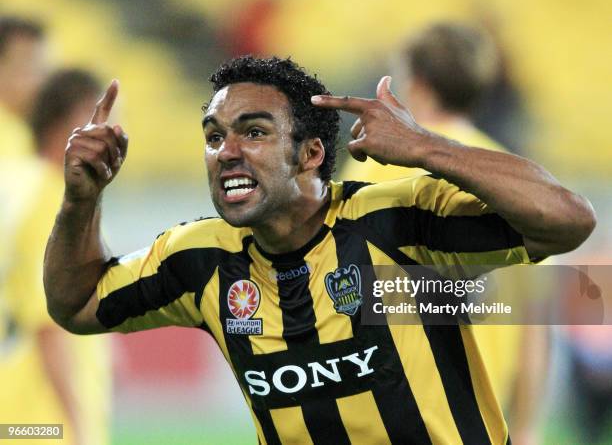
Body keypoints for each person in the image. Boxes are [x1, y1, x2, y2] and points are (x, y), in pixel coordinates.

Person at [43, 56, 595, 444]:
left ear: (310, 154)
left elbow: (567, 221)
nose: (226, 152)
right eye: (214, 137)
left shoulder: (394, 221)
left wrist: (424, 146)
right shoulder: (201, 259)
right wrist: (81, 200)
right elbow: (78, 303)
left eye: (253, 132)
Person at [340, 22, 547, 444]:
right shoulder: (511, 172)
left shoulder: (370, 164)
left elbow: (337, 297)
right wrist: (525, 427)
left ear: (415, 83)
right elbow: (533, 321)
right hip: (484, 423)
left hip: (392, 415)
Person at [0, 69, 110, 445]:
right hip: (40, 422)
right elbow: (46, 322)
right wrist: (78, 427)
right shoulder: (52, 200)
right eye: (112, 119)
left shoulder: (18, 186)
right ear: (81, 119)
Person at [0, 16, 49, 158]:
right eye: (32, 69)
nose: (42, 83)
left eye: (45, 71)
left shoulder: (22, 134)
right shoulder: (11, 137)